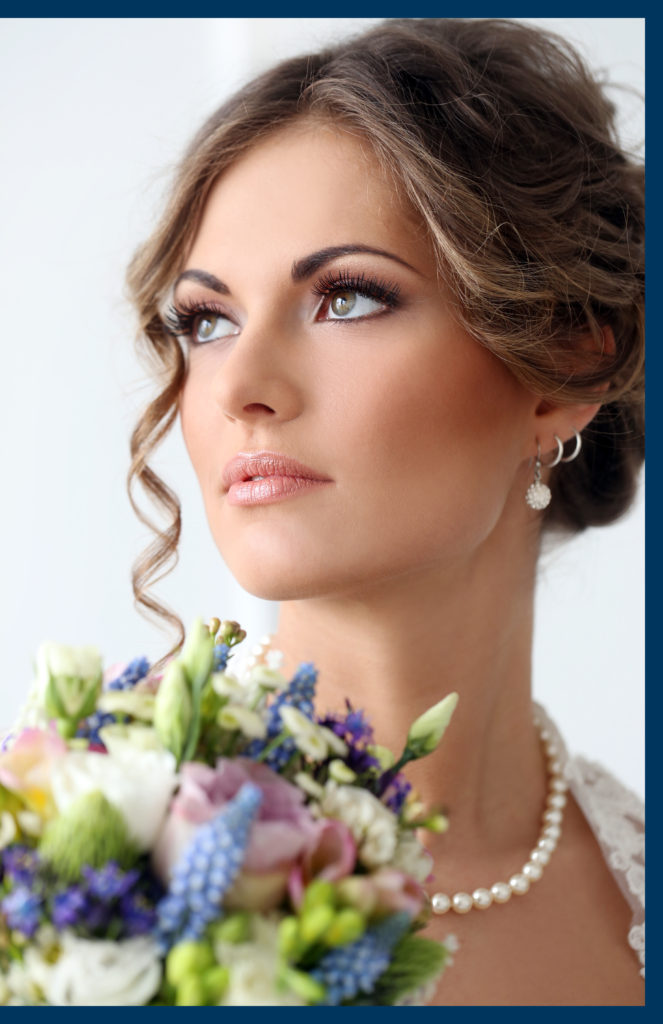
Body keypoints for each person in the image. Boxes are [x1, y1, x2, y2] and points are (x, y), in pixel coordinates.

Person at [124, 19, 644, 1006]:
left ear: (567, 360)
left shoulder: (634, 888)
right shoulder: (80, 856)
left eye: (347, 298)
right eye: (207, 319)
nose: (242, 386)